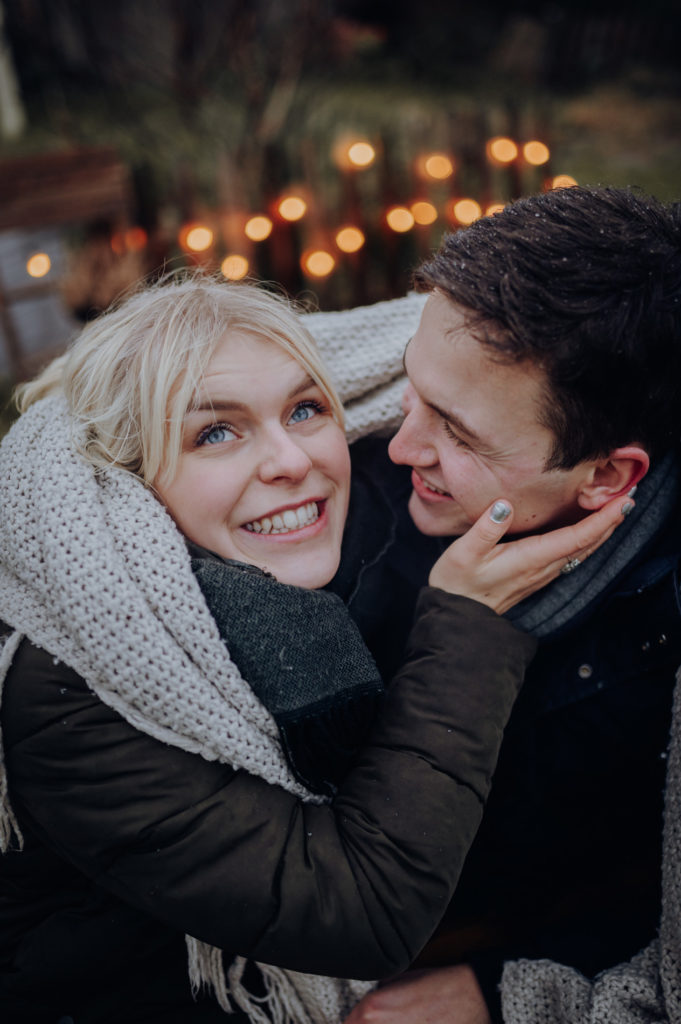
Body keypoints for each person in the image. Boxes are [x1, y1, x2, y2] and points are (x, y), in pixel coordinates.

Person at [0, 275, 623, 1024]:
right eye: (214, 433)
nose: (291, 461)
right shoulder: (75, 682)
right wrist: (470, 622)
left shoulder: (348, 538)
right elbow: (362, 913)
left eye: (304, 410)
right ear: (128, 482)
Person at [302, 185, 681, 1024]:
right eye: (411, 392)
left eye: (458, 433)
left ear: (605, 476)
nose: (400, 446)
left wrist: (502, 986)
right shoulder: (352, 490)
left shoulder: (661, 634)